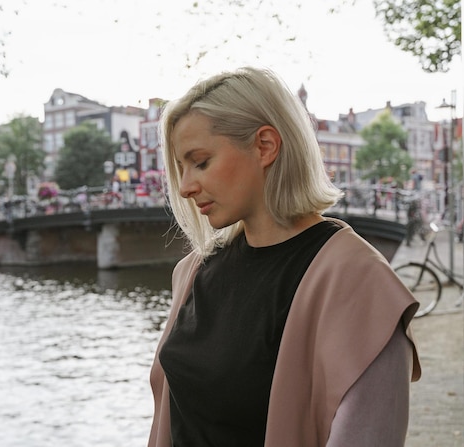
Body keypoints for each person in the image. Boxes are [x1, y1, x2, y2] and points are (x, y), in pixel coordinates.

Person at [147, 67, 421, 447]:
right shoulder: (192, 273)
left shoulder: (358, 282)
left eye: (201, 161)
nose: (186, 186)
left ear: (265, 146)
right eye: (180, 167)